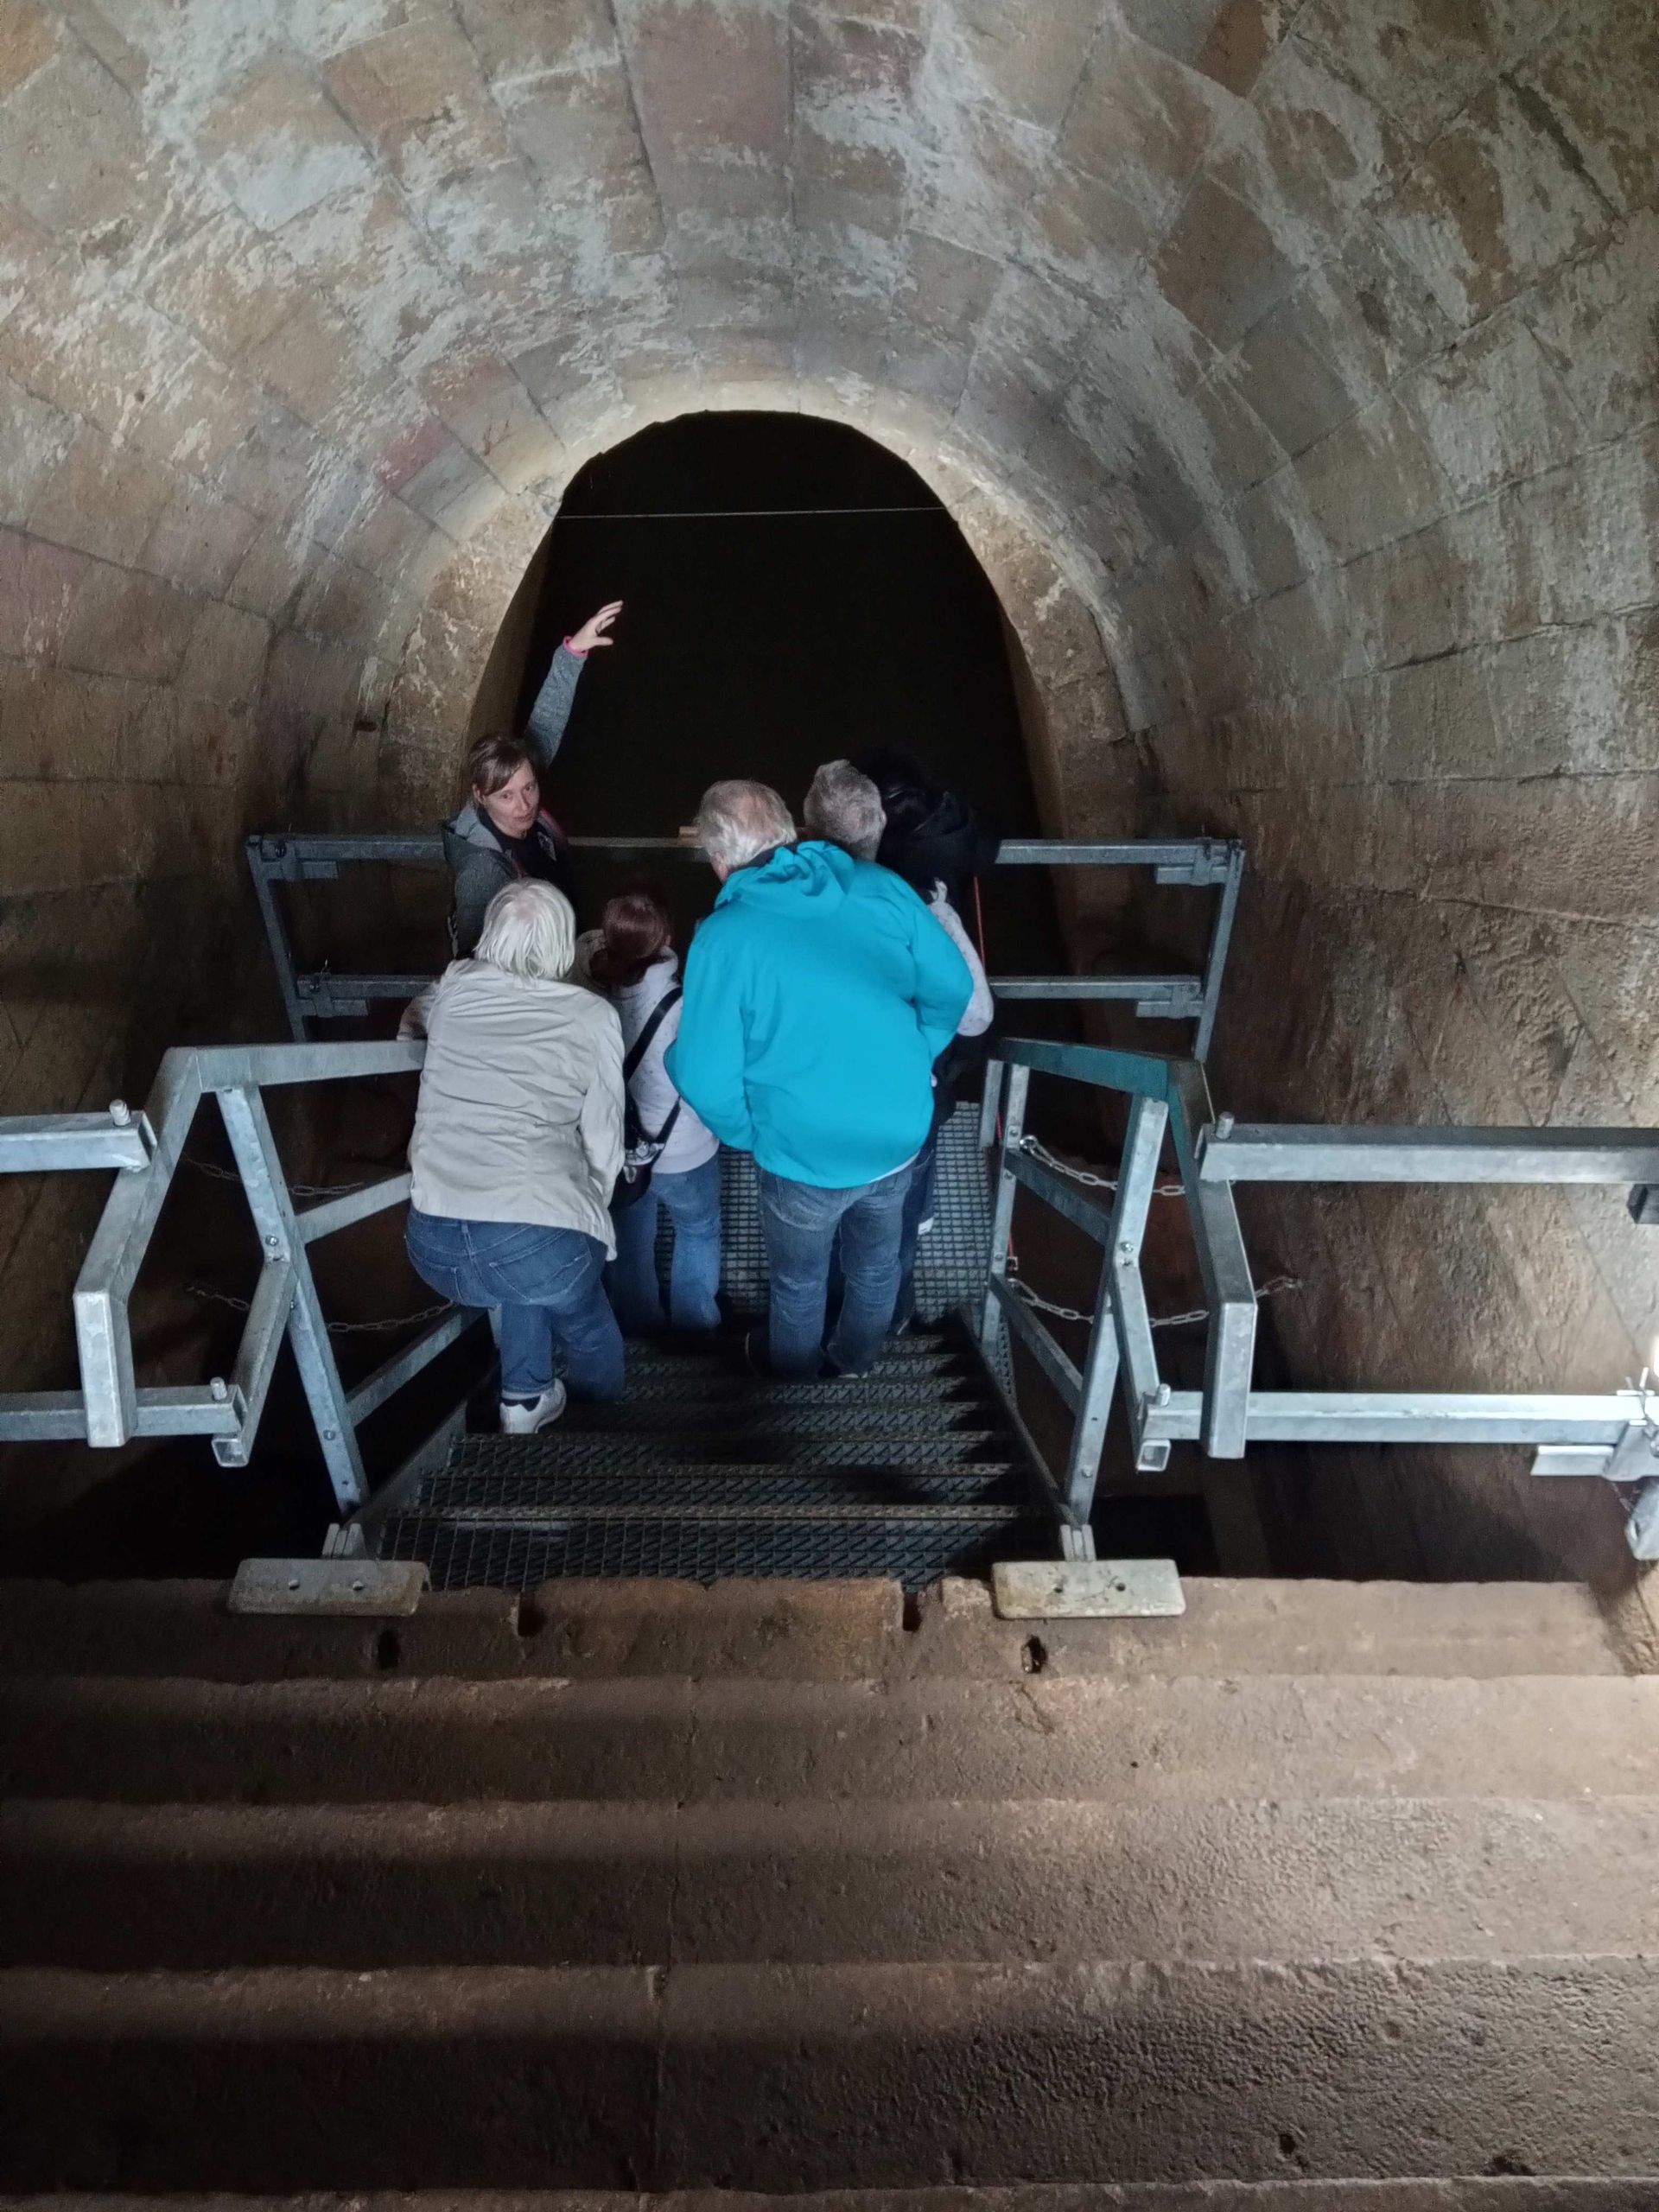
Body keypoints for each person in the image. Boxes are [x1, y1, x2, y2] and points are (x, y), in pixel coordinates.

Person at [666, 779, 972, 1379]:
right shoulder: (881, 888)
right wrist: (915, 1053)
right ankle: (856, 1360)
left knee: (799, 1280)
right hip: (897, 1134)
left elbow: (702, 1075)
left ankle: (795, 1377)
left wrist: (751, 1132)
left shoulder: (724, 940)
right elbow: (954, 989)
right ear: (789, 831)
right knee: (878, 1264)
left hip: (800, 1154)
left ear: (720, 862)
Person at [400, 878, 626, 1433]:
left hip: (433, 1246)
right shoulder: (593, 1016)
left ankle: (524, 1398)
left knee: (523, 1258)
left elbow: (410, 1027)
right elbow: (604, 1141)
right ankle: (608, 1417)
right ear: (564, 944)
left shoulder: (453, 985)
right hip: (537, 1243)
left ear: (492, 936)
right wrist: (590, 1214)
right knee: (578, 1306)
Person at [804, 760, 995, 1331]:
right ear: (880, 823)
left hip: (826, 1113)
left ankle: (822, 1331)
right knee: (895, 1226)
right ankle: (886, 1322)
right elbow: (976, 1015)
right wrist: (947, 921)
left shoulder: (798, 903)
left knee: (822, 1235)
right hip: (910, 1105)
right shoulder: (915, 905)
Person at [573, 887, 723, 1336]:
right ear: (667, 938)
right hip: (684, 1149)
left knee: (633, 1242)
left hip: (620, 1151)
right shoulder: (686, 1005)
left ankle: (638, 1326)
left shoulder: (583, 998)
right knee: (697, 1230)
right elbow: (703, 1084)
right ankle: (695, 1326)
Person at [442, 601, 622, 956]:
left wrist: (573, 653)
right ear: (480, 796)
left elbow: (545, 725)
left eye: (529, 787)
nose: (525, 805)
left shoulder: (516, 812)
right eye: (506, 796)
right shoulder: (484, 873)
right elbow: (472, 966)